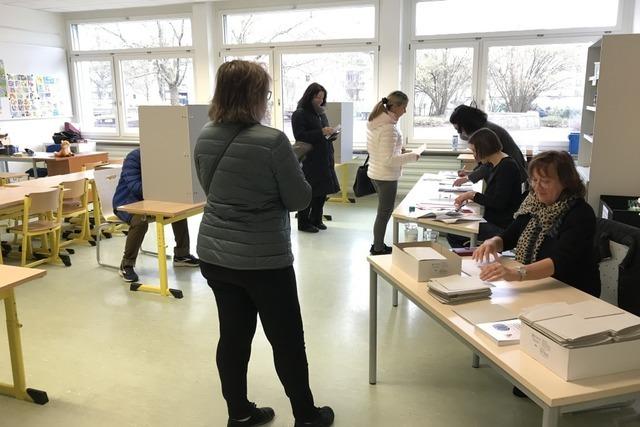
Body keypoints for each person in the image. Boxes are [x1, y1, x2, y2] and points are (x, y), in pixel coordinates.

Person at [194, 60, 334, 427]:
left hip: (215, 253)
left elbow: (213, 189)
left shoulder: (206, 134)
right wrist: (294, 167)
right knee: (287, 339)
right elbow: (299, 200)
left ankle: (238, 413)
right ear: (256, 96)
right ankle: (306, 416)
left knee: (234, 336)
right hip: (263, 259)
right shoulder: (272, 141)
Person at [472, 150, 600, 297]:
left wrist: (515, 273)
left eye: (545, 181)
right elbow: (510, 236)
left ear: (565, 182)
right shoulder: (533, 203)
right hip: (538, 284)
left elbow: (560, 261)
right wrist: (493, 243)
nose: (537, 187)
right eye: (534, 180)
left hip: (572, 291)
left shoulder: (579, 213)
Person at [112, 148, 199, 283]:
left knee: (178, 213)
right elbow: (134, 185)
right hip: (127, 203)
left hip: (153, 202)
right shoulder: (134, 157)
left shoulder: (162, 156)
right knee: (140, 220)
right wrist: (162, 190)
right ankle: (126, 264)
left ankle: (182, 255)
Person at [448, 128, 527, 247]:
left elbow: (498, 203)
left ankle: (470, 258)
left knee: (454, 233)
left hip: (501, 226)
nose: (474, 156)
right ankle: (469, 254)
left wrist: (472, 195)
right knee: (456, 230)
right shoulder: (496, 163)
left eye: (474, 151)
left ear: (484, 148)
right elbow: (484, 174)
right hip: (494, 219)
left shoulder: (507, 167)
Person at [366, 91, 420, 255]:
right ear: (395, 107)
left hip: (376, 173)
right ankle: (378, 248)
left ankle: (378, 244)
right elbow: (388, 160)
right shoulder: (388, 128)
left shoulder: (378, 122)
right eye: (404, 107)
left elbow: (383, 150)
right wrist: (411, 156)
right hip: (385, 176)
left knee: (382, 213)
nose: (405, 111)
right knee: (384, 214)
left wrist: (400, 149)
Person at [291, 83, 340, 233]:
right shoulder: (300, 113)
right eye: (317, 96)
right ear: (309, 96)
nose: (320, 100)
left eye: (322, 97)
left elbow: (323, 133)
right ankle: (303, 222)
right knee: (310, 191)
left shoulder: (321, 113)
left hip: (324, 156)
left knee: (322, 190)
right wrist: (321, 132)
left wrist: (331, 134)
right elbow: (300, 136)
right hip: (310, 158)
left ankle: (316, 219)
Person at [449, 104, 526, 187]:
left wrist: (468, 178)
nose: (459, 133)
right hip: (508, 171)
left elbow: (489, 164)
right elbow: (486, 161)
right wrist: (470, 173)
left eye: (459, 129)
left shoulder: (487, 133)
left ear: (466, 125)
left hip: (510, 174)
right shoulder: (483, 128)